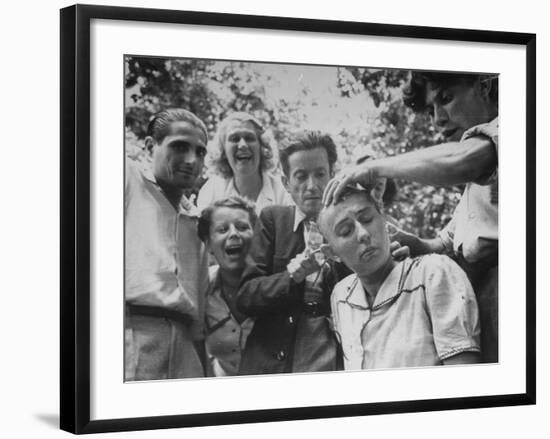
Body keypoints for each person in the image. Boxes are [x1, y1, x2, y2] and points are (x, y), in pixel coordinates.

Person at [323, 72, 498, 362]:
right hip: (485, 297)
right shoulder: (472, 192)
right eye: (430, 110)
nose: (438, 119)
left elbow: (463, 160)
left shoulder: (516, 128)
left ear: (484, 86)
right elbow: (444, 243)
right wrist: (415, 244)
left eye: (446, 99)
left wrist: (374, 168)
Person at [318, 185, 481, 370]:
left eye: (367, 219)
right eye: (346, 231)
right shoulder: (341, 296)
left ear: (385, 221)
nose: (363, 234)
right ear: (332, 253)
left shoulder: (433, 274)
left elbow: (463, 378)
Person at [236, 131, 349, 375]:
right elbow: (246, 296)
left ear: (332, 176)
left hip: (330, 352)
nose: (312, 186)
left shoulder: (349, 225)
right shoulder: (273, 220)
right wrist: (290, 277)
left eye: (320, 174)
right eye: (301, 176)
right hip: (273, 357)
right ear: (287, 183)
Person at [125, 108, 209, 381]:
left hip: (186, 348)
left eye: (199, 152)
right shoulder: (129, 181)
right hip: (134, 334)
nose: (191, 160)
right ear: (151, 146)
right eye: (179, 147)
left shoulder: (198, 221)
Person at [197, 196, 257, 376]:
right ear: (208, 244)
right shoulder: (201, 288)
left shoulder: (275, 284)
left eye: (242, 227)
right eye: (222, 229)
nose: (233, 234)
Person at [197, 112, 292, 214]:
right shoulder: (211, 191)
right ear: (223, 150)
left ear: (262, 147)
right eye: (234, 139)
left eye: (249, 138)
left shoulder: (283, 193)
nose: (243, 145)